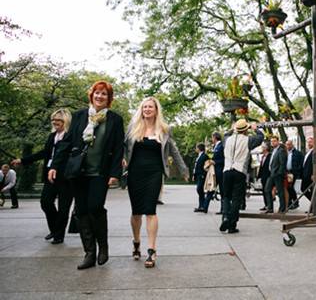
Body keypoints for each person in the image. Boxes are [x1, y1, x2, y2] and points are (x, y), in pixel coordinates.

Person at [48, 81, 124, 270]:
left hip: (100, 172)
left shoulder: (114, 119)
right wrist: (55, 165)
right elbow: (66, 143)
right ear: (92, 95)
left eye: (104, 94)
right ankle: (89, 253)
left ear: (109, 98)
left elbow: (117, 148)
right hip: (78, 171)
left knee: (95, 207)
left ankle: (103, 247)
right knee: (82, 211)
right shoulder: (79, 116)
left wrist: (115, 173)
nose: (100, 96)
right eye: (97, 93)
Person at [125, 97, 188, 268]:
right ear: (141, 109)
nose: (147, 109)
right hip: (135, 173)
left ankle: (151, 250)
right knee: (136, 212)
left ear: (156, 110)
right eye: (144, 107)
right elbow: (123, 148)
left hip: (154, 173)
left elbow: (173, 151)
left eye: (150, 107)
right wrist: (121, 162)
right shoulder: (133, 128)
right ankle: (136, 241)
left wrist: (183, 170)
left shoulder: (164, 130)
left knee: (150, 210)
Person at [11, 109, 73, 243]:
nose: (55, 122)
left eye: (58, 120)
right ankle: (55, 229)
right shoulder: (52, 136)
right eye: (53, 120)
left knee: (64, 208)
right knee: (45, 202)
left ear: (65, 121)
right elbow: (44, 153)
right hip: (50, 176)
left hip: (66, 177)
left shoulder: (70, 136)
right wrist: (23, 160)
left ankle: (58, 235)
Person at [220, 119, 263, 233]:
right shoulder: (248, 140)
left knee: (226, 197)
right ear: (245, 130)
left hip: (227, 170)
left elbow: (225, 134)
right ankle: (232, 224)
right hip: (239, 171)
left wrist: (232, 128)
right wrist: (255, 129)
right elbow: (260, 138)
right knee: (236, 199)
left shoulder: (227, 139)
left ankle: (225, 217)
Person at [265, 135, 287, 213]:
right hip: (271, 174)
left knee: (280, 191)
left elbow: (282, 163)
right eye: (271, 141)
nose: (273, 142)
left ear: (278, 141)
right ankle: (270, 208)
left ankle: (282, 208)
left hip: (277, 174)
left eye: (274, 141)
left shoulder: (281, 151)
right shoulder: (273, 151)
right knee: (267, 190)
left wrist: (280, 173)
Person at [285, 140, 304, 210]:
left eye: (289, 144)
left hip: (293, 172)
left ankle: (295, 202)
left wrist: (298, 171)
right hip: (286, 172)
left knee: (290, 187)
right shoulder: (285, 153)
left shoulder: (297, 153)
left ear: (292, 145)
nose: (288, 146)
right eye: (287, 145)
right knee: (287, 187)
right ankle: (289, 202)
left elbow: (301, 163)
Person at [192, 143, 209, 213]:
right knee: (200, 190)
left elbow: (206, 166)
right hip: (198, 175)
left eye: (196, 148)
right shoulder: (199, 156)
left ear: (199, 148)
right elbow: (196, 166)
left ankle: (203, 205)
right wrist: (194, 175)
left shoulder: (205, 156)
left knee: (199, 189)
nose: (196, 149)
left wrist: (204, 174)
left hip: (202, 175)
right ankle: (201, 206)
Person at [211, 132, 224, 215]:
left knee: (223, 191)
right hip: (216, 171)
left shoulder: (221, 146)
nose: (211, 139)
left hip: (220, 171)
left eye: (212, 137)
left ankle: (223, 209)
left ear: (215, 137)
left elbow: (223, 159)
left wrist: (215, 162)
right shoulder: (215, 146)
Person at [257, 143, 272, 211]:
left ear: (266, 148)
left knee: (267, 190)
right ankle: (266, 205)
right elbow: (261, 167)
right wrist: (259, 176)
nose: (262, 149)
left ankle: (269, 205)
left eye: (263, 147)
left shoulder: (270, 156)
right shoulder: (263, 156)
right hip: (263, 176)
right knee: (264, 191)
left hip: (268, 175)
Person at [301, 136, 314, 201]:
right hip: (305, 174)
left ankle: (314, 205)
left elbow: (314, 164)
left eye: (310, 142)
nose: (308, 144)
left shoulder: (314, 152)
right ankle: (313, 204)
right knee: (303, 188)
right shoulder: (308, 152)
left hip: (310, 175)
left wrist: (313, 174)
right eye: (308, 142)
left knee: (311, 190)